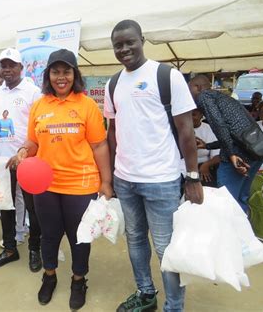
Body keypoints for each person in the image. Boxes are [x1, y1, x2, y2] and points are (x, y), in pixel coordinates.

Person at [104, 20, 203, 312]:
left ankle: (174, 306)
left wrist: (193, 176)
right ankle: (146, 294)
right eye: (118, 45)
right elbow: (112, 132)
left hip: (161, 180)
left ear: (142, 39)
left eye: (129, 42)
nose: (124, 49)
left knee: (166, 249)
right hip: (125, 179)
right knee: (135, 241)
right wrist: (110, 177)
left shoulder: (166, 75)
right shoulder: (113, 83)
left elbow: (186, 130)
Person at [7, 49, 112, 310]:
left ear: (74, 74)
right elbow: (33, 141)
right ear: (48, 75)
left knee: (79, 237)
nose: (61, 77)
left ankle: (79, 280)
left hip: (81, 183)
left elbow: (99, 145)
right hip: (46, 184)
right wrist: (23, 151)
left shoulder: (86, 105)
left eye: (66, 71)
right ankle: (49, 275)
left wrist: (106, 182)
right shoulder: (40, 105)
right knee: (49, 235)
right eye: (56, 72)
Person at [0, 48, 42, 272]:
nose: (6, 69)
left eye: (11, 65)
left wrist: (25, 153)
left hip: (27, 160)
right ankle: (10, 248)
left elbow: (39, 128)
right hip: (2, 161)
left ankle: (34, 248)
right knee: (5, 206)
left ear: (21, 67)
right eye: (3, 65)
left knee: (32, 207)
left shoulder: (33, 92)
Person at [189, 74, 263, 212]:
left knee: (227, 201)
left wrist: (231, 154)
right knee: (241, 199)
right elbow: (233, 130)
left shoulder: (204, 97)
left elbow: (219, 126)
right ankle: (242, 231)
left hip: (238, 155)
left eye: (189, 90)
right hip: (254, 151)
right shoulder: (223, 98)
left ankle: (231, 232)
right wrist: (208, 146)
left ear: (198, 87)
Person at [192, 108, 220, 187]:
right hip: (183, 165)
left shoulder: (209, 129)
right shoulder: (179, 128)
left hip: (203, 165)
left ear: (202, 115)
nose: (190, 118)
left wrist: (206, 165)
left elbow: (217, 155)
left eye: (194, 115)